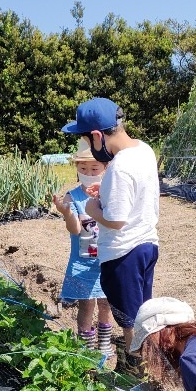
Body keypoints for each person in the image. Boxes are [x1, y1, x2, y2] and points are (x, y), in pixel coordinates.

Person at [61, 98, 159, 364]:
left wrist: (92, 207)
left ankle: (136, 372)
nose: (92, 152)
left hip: (122, 252)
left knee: (129, 321)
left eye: (89, 142)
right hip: (147, 245)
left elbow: (115, 220)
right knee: (139, 313)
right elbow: (131, 199)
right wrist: (103, 195)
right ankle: (141, 365)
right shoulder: (144, 150)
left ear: (96, 136)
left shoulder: (119, 166)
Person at [52, 139, 114, 354]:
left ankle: (105, 345)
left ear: (105, 168)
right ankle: (86, 348)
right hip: (83, 262)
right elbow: (76, 230)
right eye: (83, 167)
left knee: (106, 303)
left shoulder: (110, 194)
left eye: (94, 167)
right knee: (86, 305)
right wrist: (67, 213)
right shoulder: (73, 196)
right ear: (76, 168)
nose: (88, 171)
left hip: (106, 260)